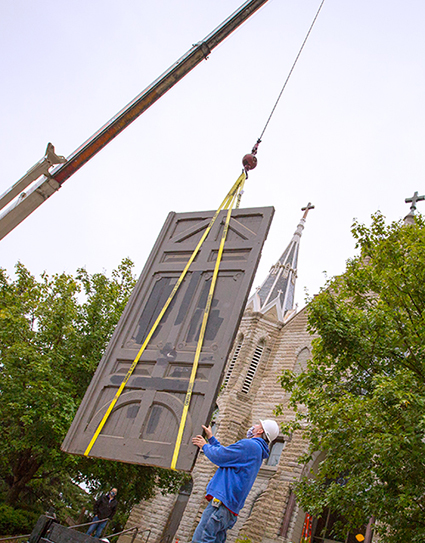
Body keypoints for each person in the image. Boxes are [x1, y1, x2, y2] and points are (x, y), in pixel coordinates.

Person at [191, 419, 279, 543]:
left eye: (258, 425)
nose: (254, 426)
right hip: (228, 510)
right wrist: (211, 439)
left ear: (260, 431)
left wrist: (204, 446)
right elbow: (228, 456)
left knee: (200, 540)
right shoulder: (257, 451)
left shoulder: (250, 445)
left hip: (221, 504)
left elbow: (220, 457)